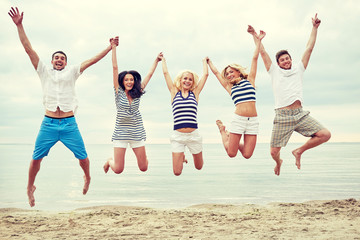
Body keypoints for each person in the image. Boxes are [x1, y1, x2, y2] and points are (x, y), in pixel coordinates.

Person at [9, 7, 115, 207]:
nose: (59, 60)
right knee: (35, 159)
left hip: (69, 124)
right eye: (56, 57)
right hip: (48, 124)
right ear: (51, 61)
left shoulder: (72, 72)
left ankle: (87, 178)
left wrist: (109, 48)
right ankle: (29, 187)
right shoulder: (43, 71)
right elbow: (28, 49)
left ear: (66, 62)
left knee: (83, 159)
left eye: (62, 58)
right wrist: (19, 25)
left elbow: (92, 60)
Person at [248, 14, 331, 176]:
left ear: (291, 60)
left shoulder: (299, 69)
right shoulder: (274, 72)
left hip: (300, 114)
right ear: (278, 64)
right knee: (273, 152)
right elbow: (263, 53)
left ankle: (299, 151)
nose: (286, 61)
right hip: (282, 116)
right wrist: (255, 37)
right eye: (282, 60)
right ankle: (279, 162)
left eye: (288, 58)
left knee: (325, 134)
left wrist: (314, 28)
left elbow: (309, 48)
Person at [103, 37, 162, 174]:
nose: (129, 81)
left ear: (134, 81)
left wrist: (156, 60)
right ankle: (109, 161)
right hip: (121, 133)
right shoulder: (118, 91)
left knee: (143, 168)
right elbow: (115, 67)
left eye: (131, 79)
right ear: (122, 82)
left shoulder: (138, 90)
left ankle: (144, 157)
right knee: (118, 169)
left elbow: (150, 74)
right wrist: (113, 48)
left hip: (136, 133)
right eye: (126, 80)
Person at [206, 28, 266, 159]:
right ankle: (223, 132)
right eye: (227, 74)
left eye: (231, 72)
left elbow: (255, 58)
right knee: (231, 153)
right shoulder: (229, 87)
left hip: (253, 121)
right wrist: (209, 62)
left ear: (238, 72)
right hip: (238, 120)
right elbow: (216, 73)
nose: (229, 75)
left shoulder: (250, 80)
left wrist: (258, 40)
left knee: (247, 155)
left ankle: (232, 137)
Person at [160, 54, 209, 176]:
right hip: (178, 137)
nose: (187, 81)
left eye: (190, 79)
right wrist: (163, 60)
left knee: (199, 167)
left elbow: (206, 75)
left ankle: (184, 154)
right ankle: (181, 156)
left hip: (194, 136)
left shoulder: (195, 93)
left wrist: (204, 62)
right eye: (185, 78)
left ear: (193, 82)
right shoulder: (174, 92)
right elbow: (166, 74)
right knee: (177, 172)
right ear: (180, 80)